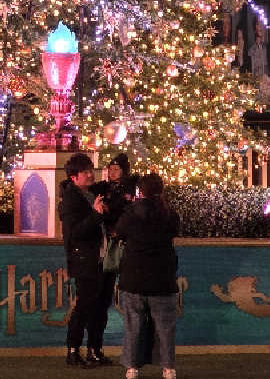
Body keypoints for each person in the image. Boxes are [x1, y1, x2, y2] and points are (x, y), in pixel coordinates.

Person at [115, 172, 180, 379]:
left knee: (133, 324)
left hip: (134, 278)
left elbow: (119, 232)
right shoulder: (170, 214)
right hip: (162, 278)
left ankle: (132, 368)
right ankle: (168, 368)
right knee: (165, 326)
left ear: (140, 192)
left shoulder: (131, 213)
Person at [58, 151, 107, 367]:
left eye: (90, 170)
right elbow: (74, 233)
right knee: (84, 306)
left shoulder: (89, 194)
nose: (90, 174)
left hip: (98, 258)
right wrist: (96, 215)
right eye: (85, 172)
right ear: (73, 177)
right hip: (83, 260)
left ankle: (94, 350)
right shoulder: (71, 200)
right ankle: (73, 350)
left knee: (98, 306)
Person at [90, 153, 138, 362]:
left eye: (117, 169)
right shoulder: (102, 188)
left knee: (127, 299)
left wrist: (110, 211)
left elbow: (127, 214)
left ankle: (133, 351)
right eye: (110, 168)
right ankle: (94, 347)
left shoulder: (130, 190)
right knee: (100, 298)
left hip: (123, 249)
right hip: (104, 249)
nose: (112, 172)